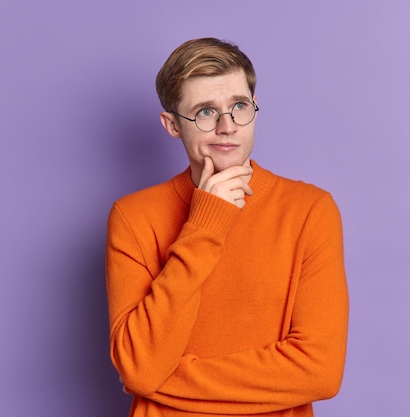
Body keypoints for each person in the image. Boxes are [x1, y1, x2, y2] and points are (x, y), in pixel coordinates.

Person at [105, 37, 349, 417]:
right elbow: (140, 368)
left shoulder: (310, 210)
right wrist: (206, 222)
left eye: (239, 106)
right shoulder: (133, 217)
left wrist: (163, 381)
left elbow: (320, 371)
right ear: (172, 125)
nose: (227, 126)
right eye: (205, 112)